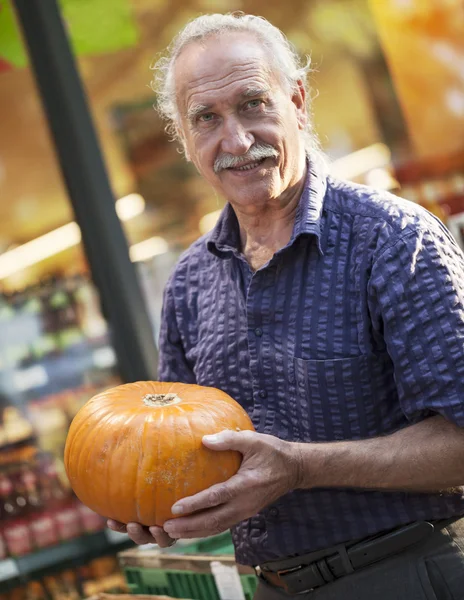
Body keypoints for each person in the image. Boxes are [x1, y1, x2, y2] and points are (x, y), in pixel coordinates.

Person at [108, 13, 464, 599]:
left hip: (409, 571)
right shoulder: (190, 283)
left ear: (296, 101)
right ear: (186, 138)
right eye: (206, 119)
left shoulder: (394, 239)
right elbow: (178, 455)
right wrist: (150, 498)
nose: (237, 141)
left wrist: (300, 466)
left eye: (253, 104)